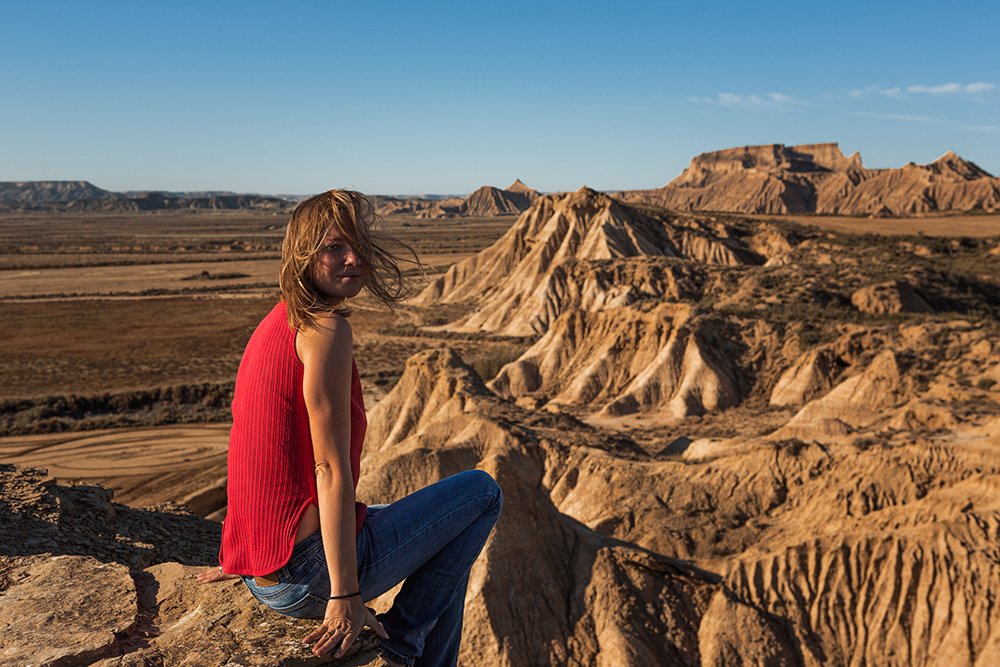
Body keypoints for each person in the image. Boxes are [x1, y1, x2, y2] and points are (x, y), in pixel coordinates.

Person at [197, 190, 502, 667]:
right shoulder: (326, 332)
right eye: (334, 246)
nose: (353, 257)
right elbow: (329, 468)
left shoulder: (275, 325)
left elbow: (253, 450)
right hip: (309, 577)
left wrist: (243, 556)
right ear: (302, 255)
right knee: (482, 493)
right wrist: (345, 595)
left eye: (358, 243)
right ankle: (400, 646)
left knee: (448, 535)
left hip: (268, 571)